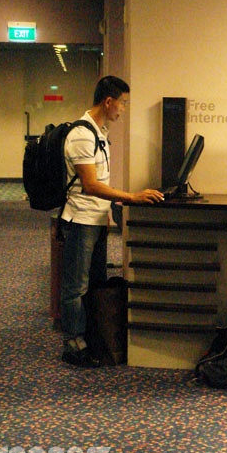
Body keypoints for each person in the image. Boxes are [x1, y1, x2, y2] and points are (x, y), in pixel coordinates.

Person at [60, 75, 164, 367]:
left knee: (94, 282)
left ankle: (90, 339)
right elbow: (90, 185)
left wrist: (106, 212)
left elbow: (99, 182)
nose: (124, 109)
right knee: (76, 286)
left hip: (94, 218)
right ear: (108, 101)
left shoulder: (99, 132)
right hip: (81, 219)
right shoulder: (82, 135)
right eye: (123, 103)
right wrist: (131, 197)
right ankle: (73, 345)